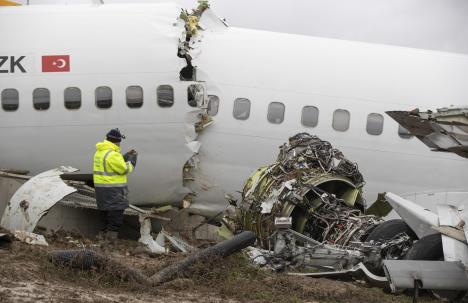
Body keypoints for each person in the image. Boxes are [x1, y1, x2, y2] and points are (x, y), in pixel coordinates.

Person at [93, 128, 137, 240]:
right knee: (115, 217)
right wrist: (132, 160)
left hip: (102, 190)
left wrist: (124, 157)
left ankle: (102, 238)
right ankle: (110, 242)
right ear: (117, 141)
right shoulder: (113, 155)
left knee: (105, 215)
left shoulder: (100, 152)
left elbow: (110, 165)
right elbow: (124, 169)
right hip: (114, 190)